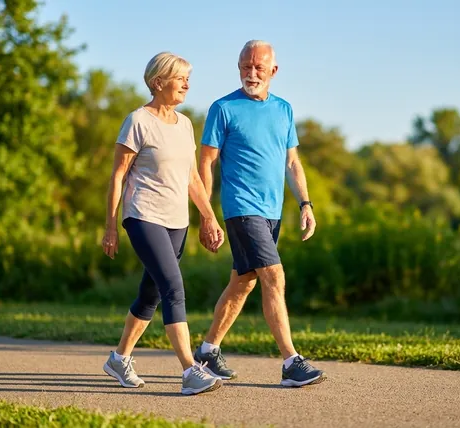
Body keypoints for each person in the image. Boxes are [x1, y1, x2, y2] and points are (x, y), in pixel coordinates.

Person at [193, 40, 326, 387]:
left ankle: (207, 351)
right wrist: (207, 214)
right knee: (274, 276)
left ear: (273, 71)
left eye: (258, 68)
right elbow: (205, 162)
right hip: (241, 207)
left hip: (272, 211)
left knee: (244, 282)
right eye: (245, 67)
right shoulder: (223, 108)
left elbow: (292, 162)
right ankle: (291, 363)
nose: (251, 74)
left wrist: (306, 203)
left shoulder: (284, 110)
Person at [100, 51, 226, 396]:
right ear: (158, 82)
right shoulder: (137, 121)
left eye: (188, 78)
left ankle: (119, 358)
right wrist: (110, 226)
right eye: (180, 78)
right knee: (173, 287)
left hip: (177, 221)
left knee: (151, 293)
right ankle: (190, 370)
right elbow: (118, 176)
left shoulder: (184, 124)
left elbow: (192, 179)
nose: (187, 84)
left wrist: (209, 217)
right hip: (143, 215)